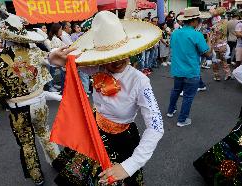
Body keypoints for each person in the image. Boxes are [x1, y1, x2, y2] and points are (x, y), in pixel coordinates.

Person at [52, 11, 164, 186]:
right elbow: (62, 62)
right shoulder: (97, 68)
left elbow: (156, 126)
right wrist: (52, 55)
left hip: (121, 139)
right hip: (95, 129)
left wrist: (129, 165)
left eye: (121, 53)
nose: (118, 60)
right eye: (111, 57)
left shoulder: (140, 81)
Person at [0, 14, 71, 185]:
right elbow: (55, 60)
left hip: (19, 109)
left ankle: (37, 176)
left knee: (26, 142)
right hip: (39, 103)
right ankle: (58, 162)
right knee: (45, 134)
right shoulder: (35, 52)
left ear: (5, 39)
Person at [166, 7, 212, 127]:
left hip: (177, 70)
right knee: (188, 96)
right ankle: (182, 120)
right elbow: (207, 53)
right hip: (191, 71)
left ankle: (170, 111)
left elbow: (172, 46)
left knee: (176, 91)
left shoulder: (175, 33)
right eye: (199, 20)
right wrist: (210, 40)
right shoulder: (197, 35)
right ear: (194, 21)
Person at [46, 23, 66, 92]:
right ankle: (51, 86)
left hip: (55, 58)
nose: (61, 31)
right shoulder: (55, 39)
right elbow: (58, 48)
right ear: (56, 30)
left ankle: (53, 85)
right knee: (53, 72)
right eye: (60, 29)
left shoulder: (56, 38)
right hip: (56, 58)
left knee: (53, 72)